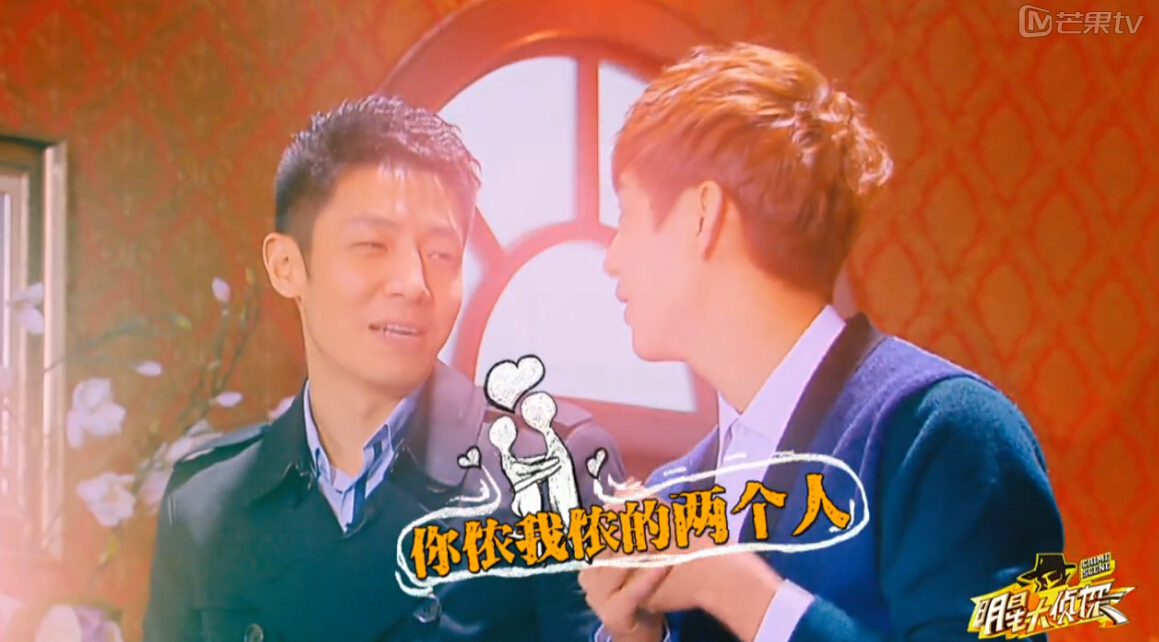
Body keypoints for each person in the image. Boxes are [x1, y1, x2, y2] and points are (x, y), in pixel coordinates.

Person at [579, 43, 1064, 642]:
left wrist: (734, 589)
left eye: (626, 213)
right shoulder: (671, 496)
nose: (611, 257)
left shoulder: (948, 435)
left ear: (703, 213)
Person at [142, 95, 625, 642]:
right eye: (372, 246)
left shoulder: (552, 472)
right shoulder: (204, 501)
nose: (414, 285)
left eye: (441, 255)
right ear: (286, 266)